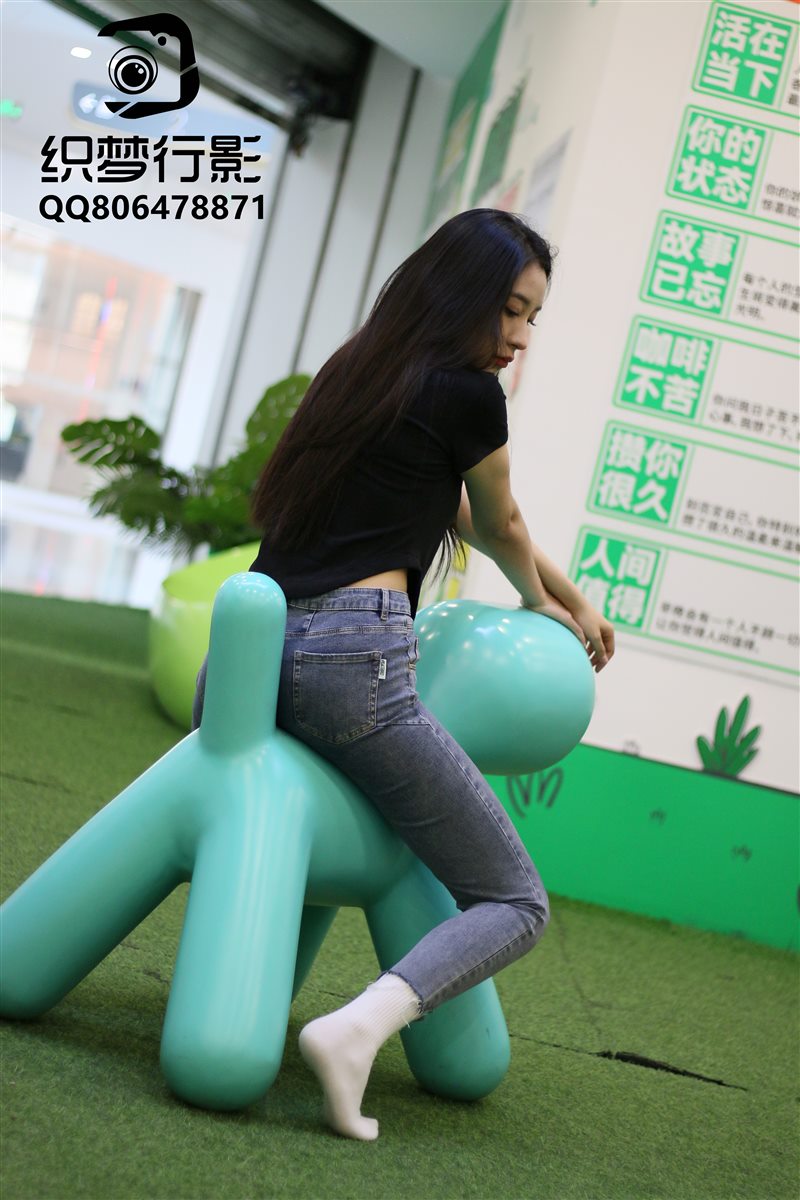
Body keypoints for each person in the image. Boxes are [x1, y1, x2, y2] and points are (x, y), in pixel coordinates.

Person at [191, 207, 615, 1140]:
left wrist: (572, 596)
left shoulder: (360, 372)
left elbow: (461, 517)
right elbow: (499, 521)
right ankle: (355, 1030)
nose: (518, 337)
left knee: (332, 833)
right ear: (460, 293)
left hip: (244, 667)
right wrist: (545, 607)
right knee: (515, 900)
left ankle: (239, 1010)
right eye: (509, 308)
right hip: (351, 665)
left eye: (531, 317)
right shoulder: (468, 393)